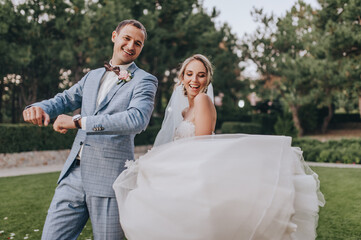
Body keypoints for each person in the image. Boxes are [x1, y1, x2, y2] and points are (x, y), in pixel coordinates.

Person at [113, 54, 325, 240]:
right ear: (182, 77)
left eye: (200, 75)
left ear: (208, 79)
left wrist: (162, 162)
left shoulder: (203, 100)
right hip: (185, 172)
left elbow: (201, 148)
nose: (194, 80)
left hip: (196, 174)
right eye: (189, 74)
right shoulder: (186, 111)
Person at [23, 19, 158, 239]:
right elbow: (65, 99)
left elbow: (137, 119)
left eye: (138, 43)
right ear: (114, 36)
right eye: (127, 38)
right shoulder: (92, 75)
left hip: (109, 180)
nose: (131, 46)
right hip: (73, 176)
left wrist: (78, 121)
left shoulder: (145, 80)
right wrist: (38, 106)